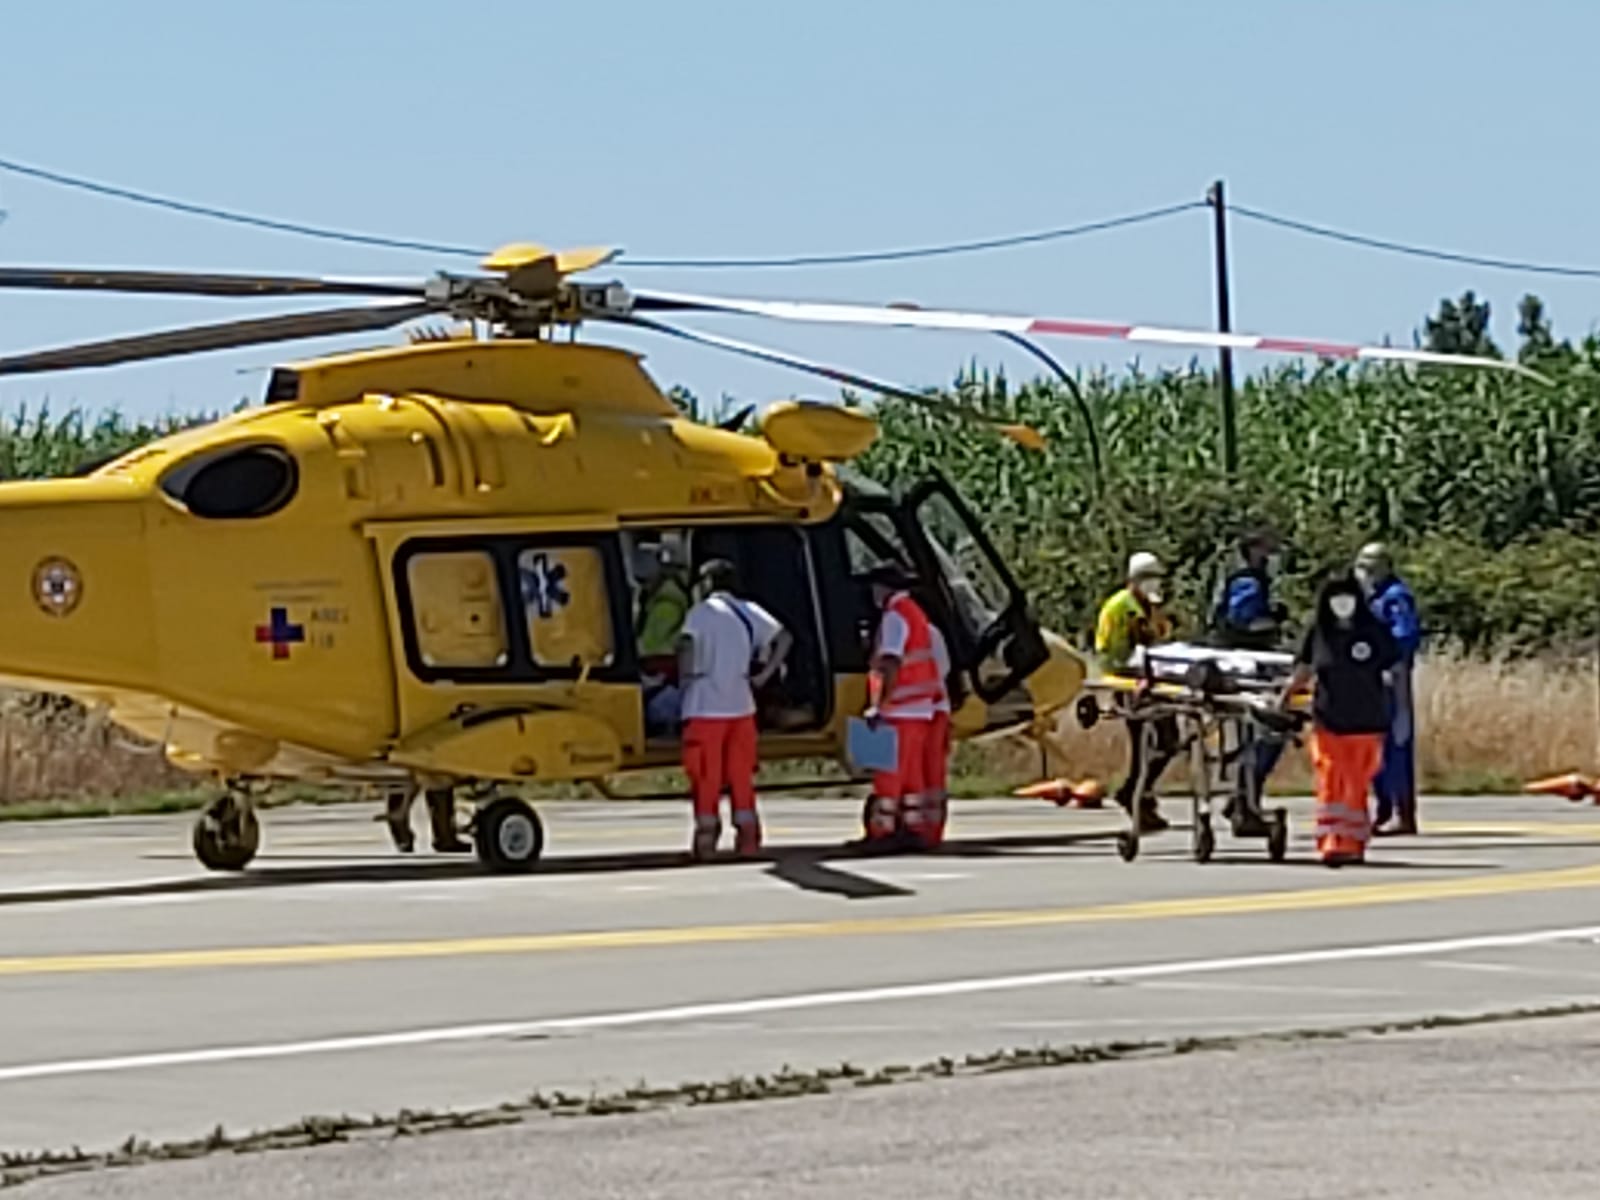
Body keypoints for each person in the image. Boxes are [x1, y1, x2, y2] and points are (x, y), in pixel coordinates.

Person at [1280, 574, 1400, 867]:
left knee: (1356, 783)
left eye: (1347, 597)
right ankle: (1332, 842)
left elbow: (1393, 664)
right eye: (1335, 598)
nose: (1341, 604)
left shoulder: (1373, 631)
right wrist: (1285, 696)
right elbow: (1305, 668)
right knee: (1332, 779)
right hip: (1329, 718)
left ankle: (1355, 840)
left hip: (1366, 719)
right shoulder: (1318, 632)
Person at [676, 559, 791, 860]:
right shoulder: (748, 611)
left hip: (704, 705)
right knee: (741, 775)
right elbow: (784, 637)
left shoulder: (700, 614)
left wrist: (684, 681)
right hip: (741, 704)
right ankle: (749, 837)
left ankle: (706, 840)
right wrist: (764, 675)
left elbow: (687, 648)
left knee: (706, 775)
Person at [860, 567, 948, 850]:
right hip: (919, 709)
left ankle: (882, 833)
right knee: (912, 777)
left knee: (887, 776)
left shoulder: (894, 616)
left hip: (897, 709)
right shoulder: (915, 613)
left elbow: (890, 663)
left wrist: (877, 705)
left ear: (882, 588)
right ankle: (913, 829)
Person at [1212, 528, 1291, 832]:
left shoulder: (1241, 577)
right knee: (1269, 729)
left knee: (1259, 734)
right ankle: (1244, 798)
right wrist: (1271, 619)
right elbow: (1241, 621)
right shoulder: (1247, 581)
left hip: (1244, 661)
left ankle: (1244, 799)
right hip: (1245, 664)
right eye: (1265, 547)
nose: (1270, 553)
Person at [1095, 551, 1176, 832]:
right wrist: (1129, 673)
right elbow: (1106, 651)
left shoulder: (1151, 607)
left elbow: (1161, 638)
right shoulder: (1117, 608)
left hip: (1156, 682)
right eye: (1149, 578)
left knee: (1168, 740)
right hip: (1130, 685)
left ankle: (1137, 792)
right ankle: (1137, 794)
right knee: (1144, 742)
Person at [1355, 542, 1423, 835]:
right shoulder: (1371, 597)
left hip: (1391, 676)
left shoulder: (1396, 597)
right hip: (1370, 678)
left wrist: (1387, 661)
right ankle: (1384, 809)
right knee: (1376, 745)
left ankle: (1401, 811)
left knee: (1397, 741)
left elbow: (1405, 636)